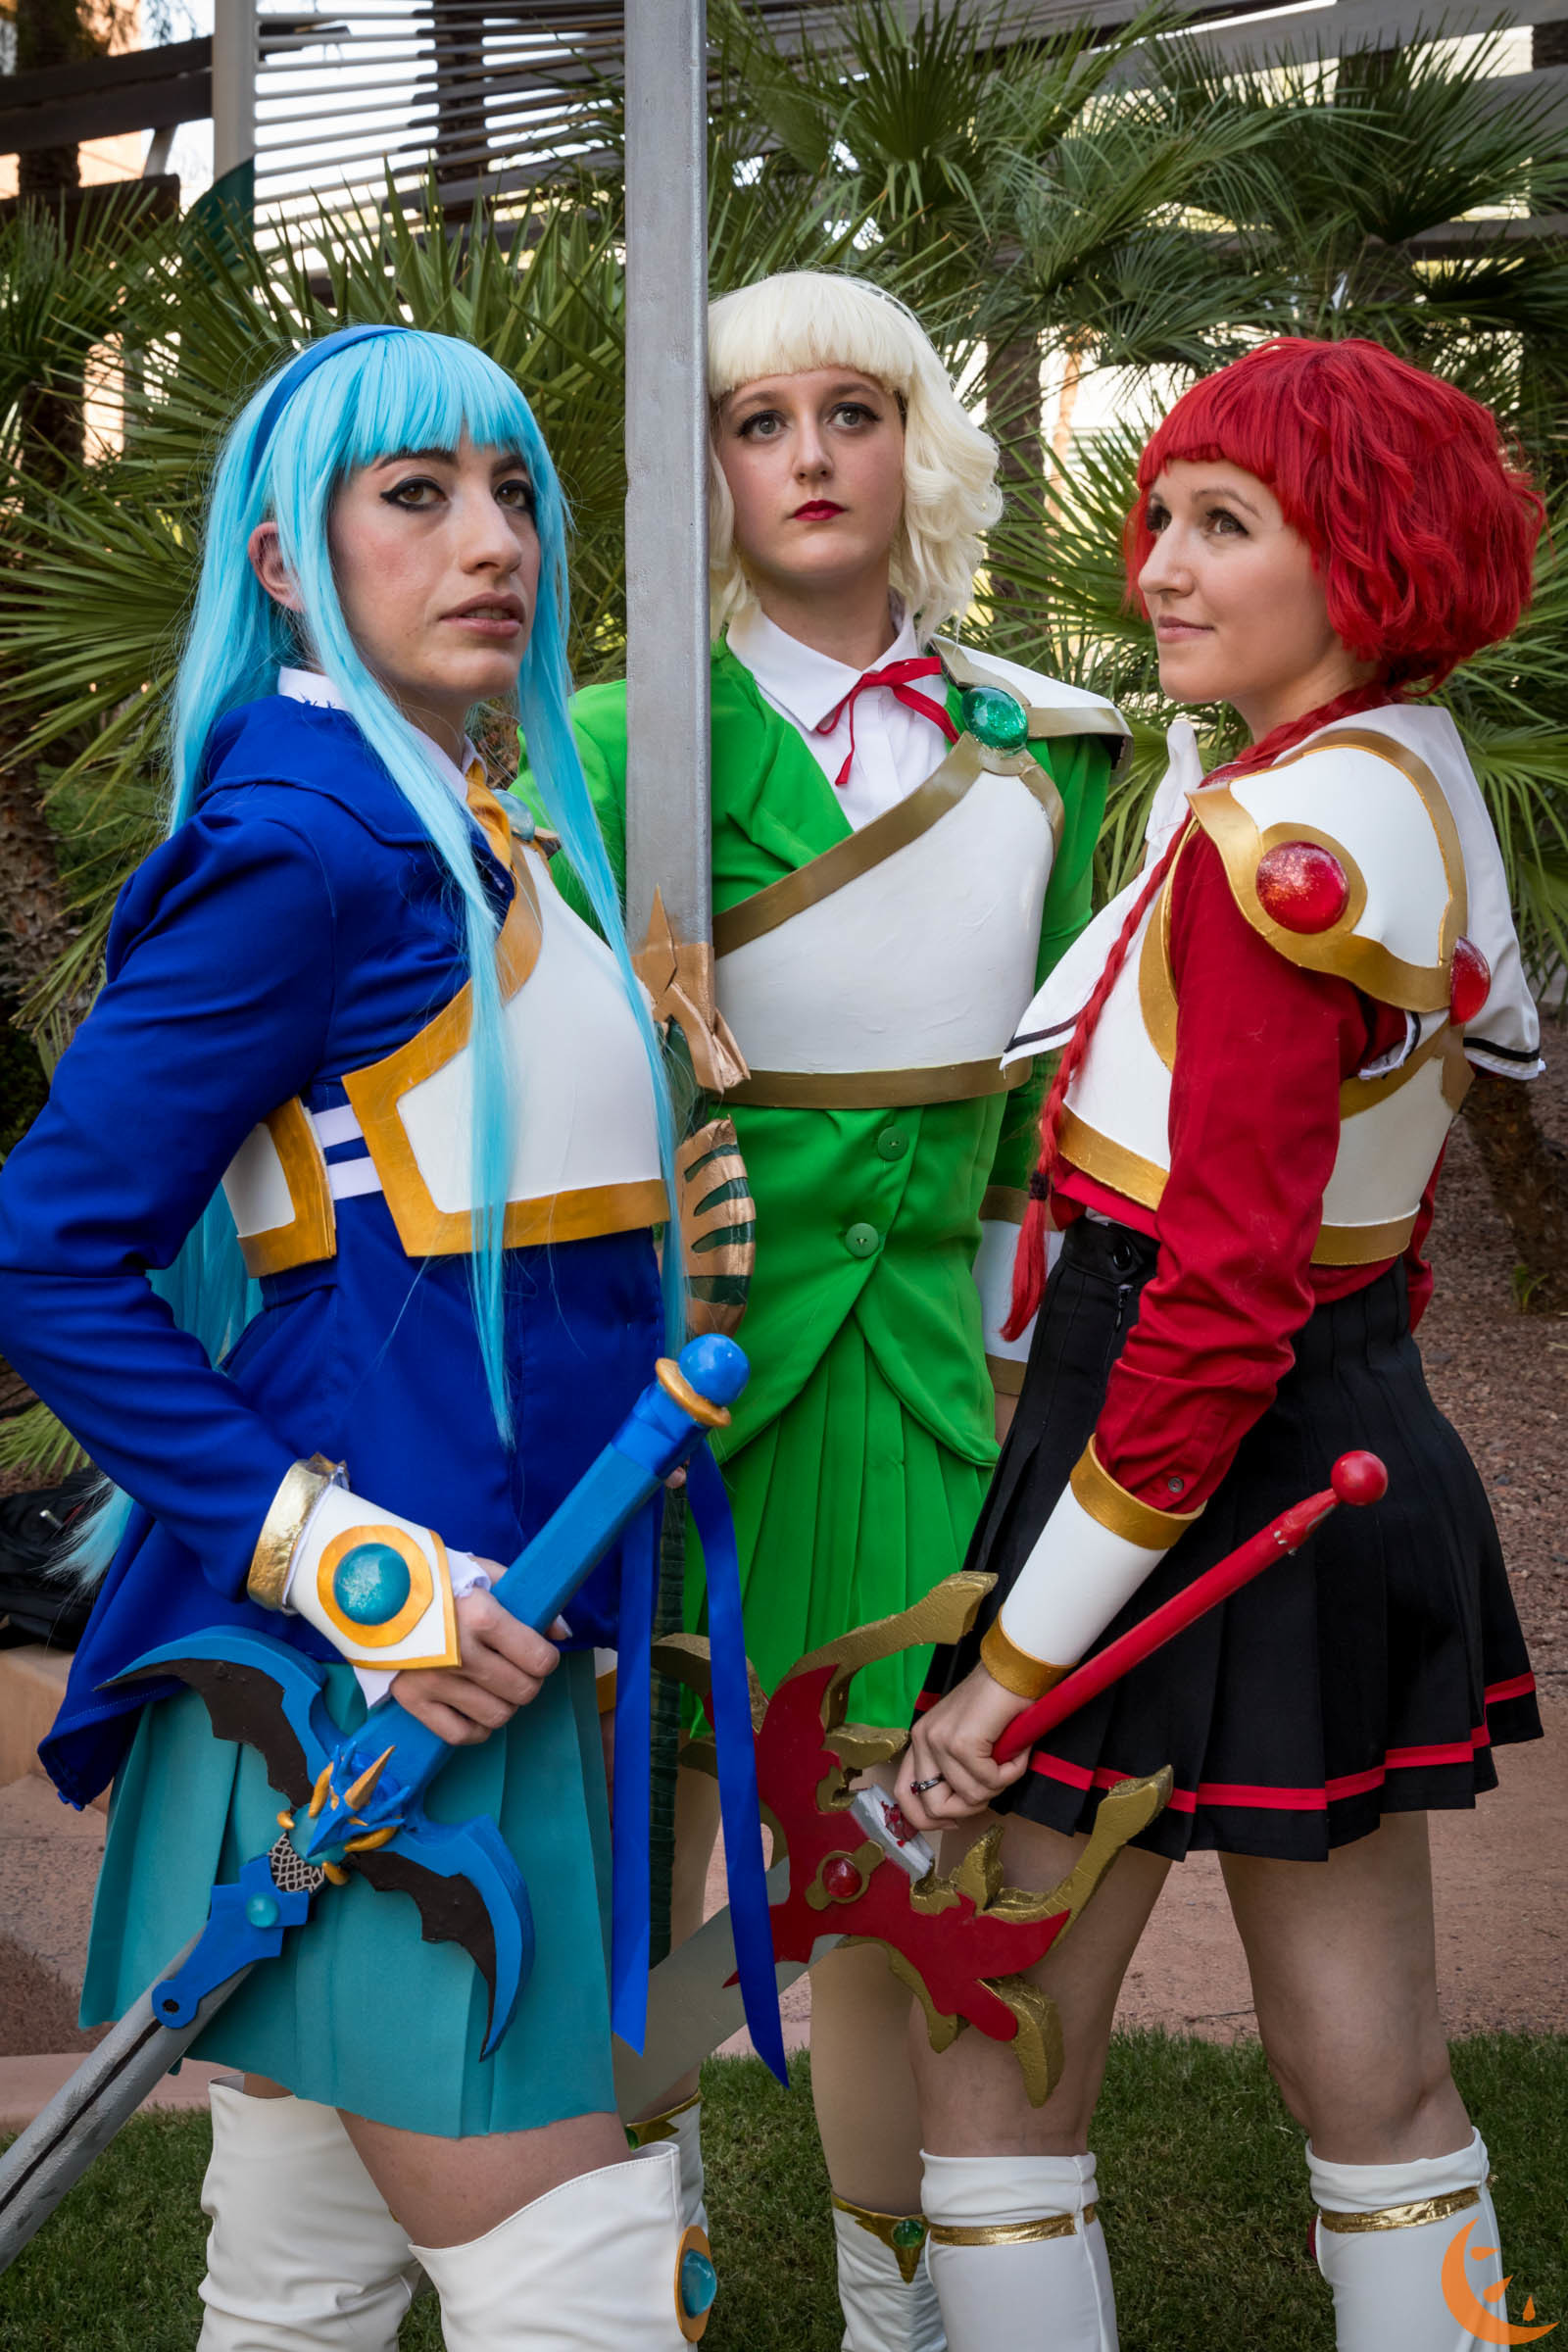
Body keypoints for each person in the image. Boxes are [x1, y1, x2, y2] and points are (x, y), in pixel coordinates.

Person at [0, 325, 713, 2350]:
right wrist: (345, 1564)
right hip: (372, 1686)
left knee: (304, 2280)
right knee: (586, 2289)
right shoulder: (309, 846)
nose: (492, 542)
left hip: (489, 1647)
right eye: (416, 496)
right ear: (285, 562)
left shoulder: (466, 826)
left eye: (512, 494)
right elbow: (47, 1253)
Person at [895, 336, 1544, 2352]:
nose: (1158, 568)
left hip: (1172, 1467)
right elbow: (1375, 1223)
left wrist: (1009, 1677)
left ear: (1364, 559)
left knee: (989, 2054)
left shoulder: (1280, 869)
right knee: (1374, 2071)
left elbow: (1217, 1311)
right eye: (1159, 518)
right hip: (1334, 1438)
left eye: (1223, 526)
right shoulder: (1399, 780)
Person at [517, 269, 1127, 2352]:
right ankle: (630, 2282)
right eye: (754, 420)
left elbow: (1043, 1115)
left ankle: (899, 2300)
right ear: (699, 465)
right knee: (638, 1833)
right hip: (666, 1378)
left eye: (848, 413)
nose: (804, 457)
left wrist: (1022, 1362)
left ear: (913, 445)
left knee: (888, 1850)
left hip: (925, 1386)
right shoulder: (609, 741)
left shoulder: (1049, 750)